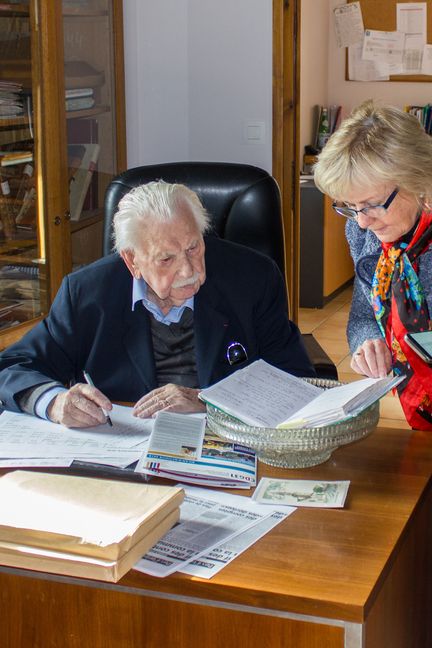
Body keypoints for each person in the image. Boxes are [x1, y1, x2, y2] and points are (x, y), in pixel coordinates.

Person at [0, 180, 315, 428]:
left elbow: (296, 378)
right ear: (132, 261)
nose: (189, 271)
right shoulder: (87, 293)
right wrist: (54, 403)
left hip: (226, 447)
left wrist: (209, 401)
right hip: (127, 460)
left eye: (194, 248)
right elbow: (12, 368)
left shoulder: (252, 278)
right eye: (166, 258)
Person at [314, 100, 432, 430]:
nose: (362, 222)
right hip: (421, 404)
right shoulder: (363, 231)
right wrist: (368, 344)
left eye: (372, 206)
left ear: (417, 180)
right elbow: (364, 312)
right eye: (351, 207)